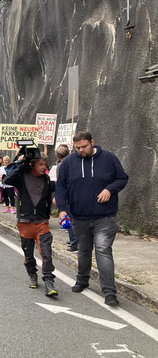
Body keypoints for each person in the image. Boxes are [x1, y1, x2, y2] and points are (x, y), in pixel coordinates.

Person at [55, 131, 128, 307]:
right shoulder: (67, 163)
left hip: (105, 216)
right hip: (79, 216)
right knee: (83, 249)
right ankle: (82, 280)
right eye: (77, 147)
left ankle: (109, 292)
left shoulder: (109, 158)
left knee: (102, 250)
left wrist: (110, 189)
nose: (81, 150)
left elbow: (122, 178)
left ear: (92, 143)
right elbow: (61, 187)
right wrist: (62, 210)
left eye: (84, 146)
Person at [4, 153, 58, 297]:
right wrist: (21, 165)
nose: (44, 167)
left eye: (45, 164)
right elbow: (6, 179)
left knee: (46, 253)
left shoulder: (46, 179)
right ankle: (32, 274)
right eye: (40, 164)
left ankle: (49, 281)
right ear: (32, 164)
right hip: (25, 222)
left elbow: (57, 189)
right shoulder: (21, 177)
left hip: (41, 221)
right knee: (28, 254)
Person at [54, 144, 77, 251]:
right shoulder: (75, 162)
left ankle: (74, 242)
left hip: (67, 195)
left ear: (58, 156)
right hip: (76, 193)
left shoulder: (61, 165)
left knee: (68, 218)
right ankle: (73, 239)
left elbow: (60, 183)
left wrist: (57, 196)